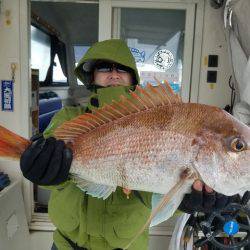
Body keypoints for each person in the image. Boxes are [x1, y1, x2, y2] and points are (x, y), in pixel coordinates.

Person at [20, 39, 231, 250]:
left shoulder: (154, 116)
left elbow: (162, 192)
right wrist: (39, 168)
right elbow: (48, 174)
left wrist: (186, 202)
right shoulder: (69, 118)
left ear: (132, 76)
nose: (114, 74)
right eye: (104, 67)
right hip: (66, 244)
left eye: (122, 68)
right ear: (92, 75)